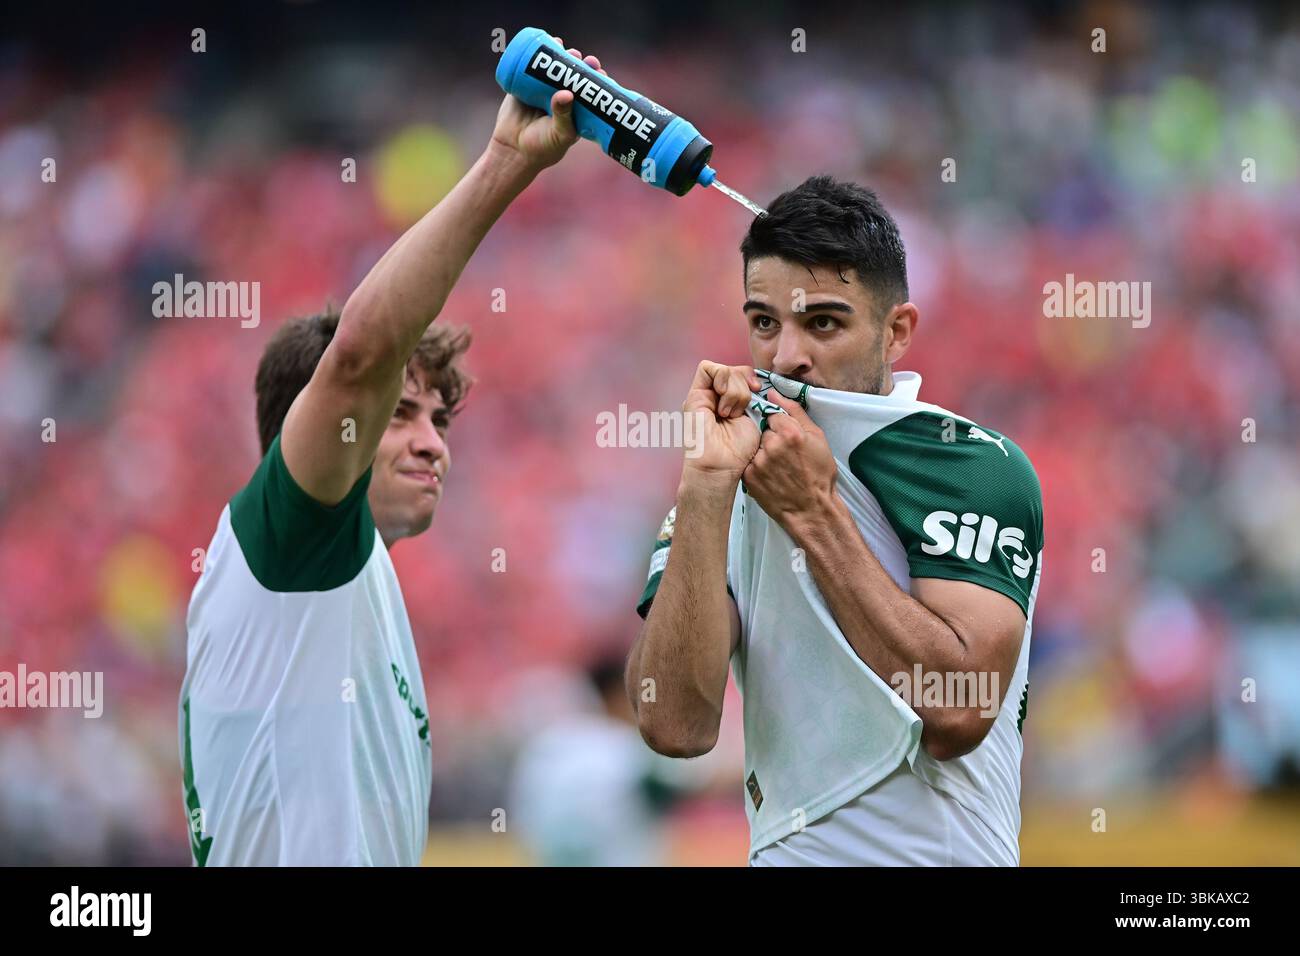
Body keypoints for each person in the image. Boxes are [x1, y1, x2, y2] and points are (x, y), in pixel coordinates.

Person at [178, 40, 606, 865]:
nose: (432, 443)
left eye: (441, 422)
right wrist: (506, 166)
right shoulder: (294, 540)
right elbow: (360, 358)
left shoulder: (347, 579)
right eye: (402, 415)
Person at [626, 176, 1044, 866]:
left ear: (896, 331)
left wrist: (813, 513)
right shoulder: (723, 479)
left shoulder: (974, 464)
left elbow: (957, 711)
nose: (786, 356)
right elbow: (674, 725)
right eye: (764, 322)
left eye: (822, 322)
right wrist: (702, 489)